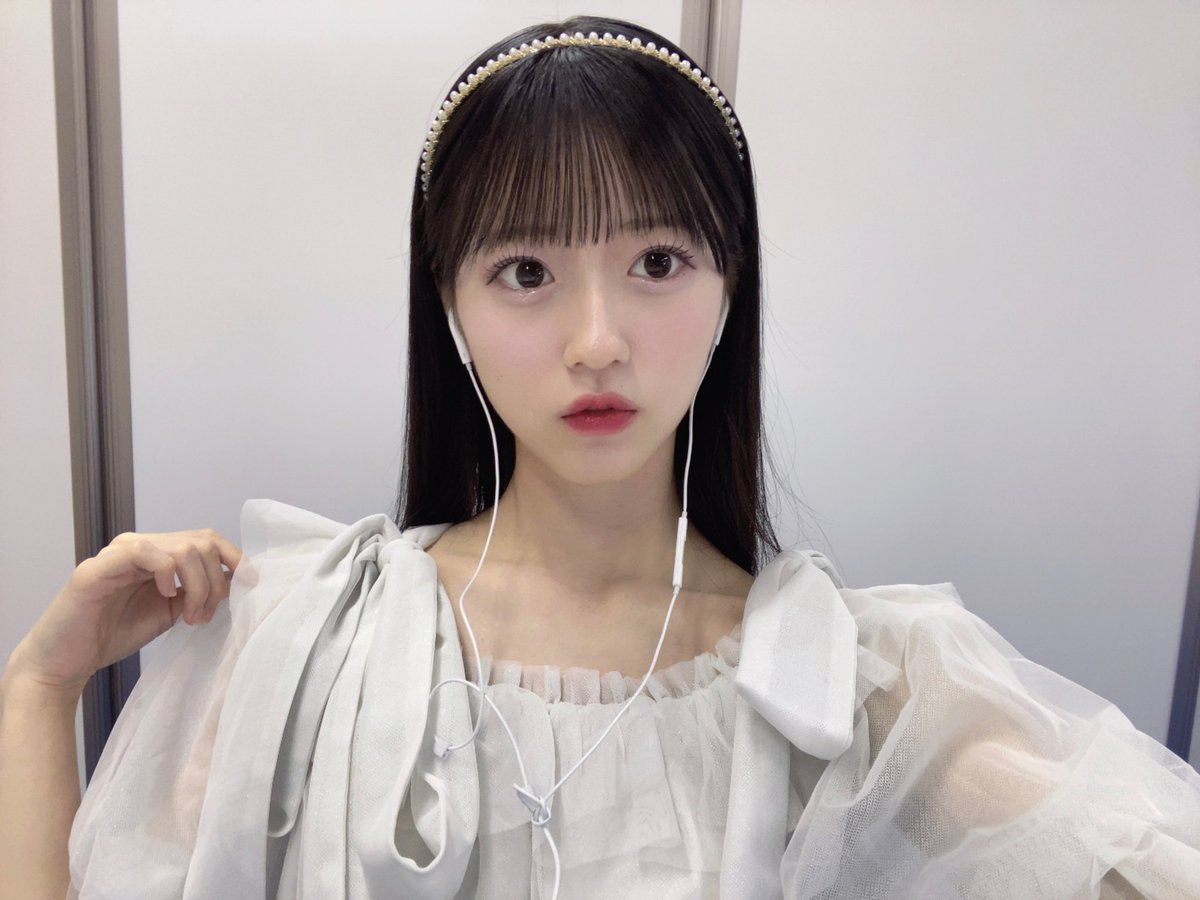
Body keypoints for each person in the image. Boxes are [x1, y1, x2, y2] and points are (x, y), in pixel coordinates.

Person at [2, 13, 1199, 900]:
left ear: (730, 288)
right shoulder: (306, 641)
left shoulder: (840, 691)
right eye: (526, 271)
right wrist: (40, 692)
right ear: (451, 305)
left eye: (657, 263)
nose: (596, 340)